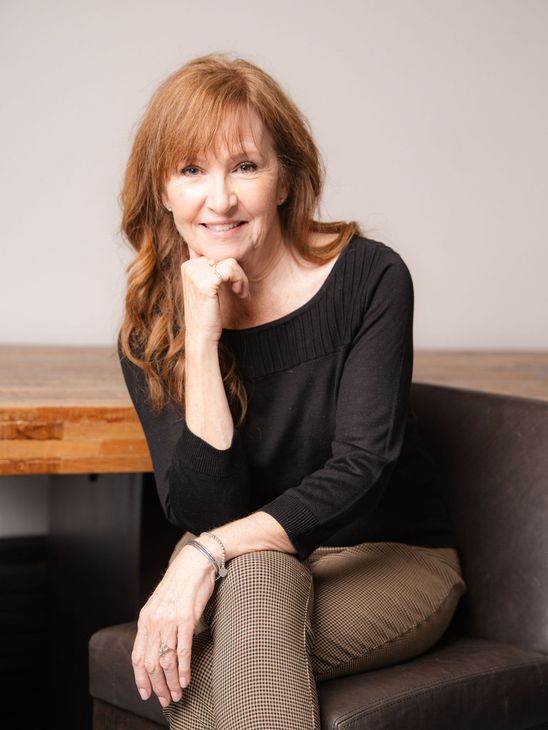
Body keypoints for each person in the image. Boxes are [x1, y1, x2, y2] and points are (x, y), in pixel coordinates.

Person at [117, 53, 466, 730]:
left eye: (246, 166)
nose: (220, 200)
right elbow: (204, 506)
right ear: (162, 191)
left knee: (204, 647)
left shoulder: (368, 278)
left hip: (392, 558)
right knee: (254, 583)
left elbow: (363, 468)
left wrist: (205, 552)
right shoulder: (154, 331)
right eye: (191, 170)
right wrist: (202, 338)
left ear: (284, 179)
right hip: (255, 571)